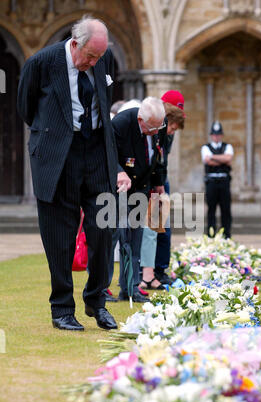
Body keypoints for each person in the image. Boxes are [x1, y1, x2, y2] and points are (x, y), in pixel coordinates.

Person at [17, 15, 131, 331]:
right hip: (59, 156)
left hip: (96, 152)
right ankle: (62, 309)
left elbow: (104, 107)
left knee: (103, 231)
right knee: (60, 237)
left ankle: (97, 303)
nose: (94, 62)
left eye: (99, 57)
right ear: (75, 43)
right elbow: (26, 108)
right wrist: (52, 137)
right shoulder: (41, 63)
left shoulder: (102, 58)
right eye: (90, 56)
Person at [111, 97, 166, 302]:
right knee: (113, 237)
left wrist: (158, 182)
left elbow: (158, 155)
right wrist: (118, 172)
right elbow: (108, 154)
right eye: (151, 128)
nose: (155, 132)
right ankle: (101, 290)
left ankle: (130, 288)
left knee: (134, 240)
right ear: (141, 119)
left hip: (141, 187)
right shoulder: (121, 124)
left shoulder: (158, 123)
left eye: (157, 127)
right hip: (118, 187)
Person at [140, 92, 185, 290]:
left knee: (163, 229)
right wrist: (156, 184)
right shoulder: (156, 127)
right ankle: (147, 273)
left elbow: (163, 159)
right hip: (150, 182)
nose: (173, 130)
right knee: (150, 229)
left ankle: (159, 270)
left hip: (160, 180)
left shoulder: (168, 132)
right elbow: (156, 158)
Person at [201, 120, 234, 239]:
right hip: (212, 182)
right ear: (211, 135)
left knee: (226, 209)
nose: (216, 136)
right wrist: (222, 159)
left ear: (221, 135)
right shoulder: (205, 147)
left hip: (224, 181)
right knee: (211, 209)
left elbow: (229, 159)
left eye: (219, 134)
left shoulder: (227, 146)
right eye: (214, 134)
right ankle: (211, 235)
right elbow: (207, 160)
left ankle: (226, 235)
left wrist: (213, 157)